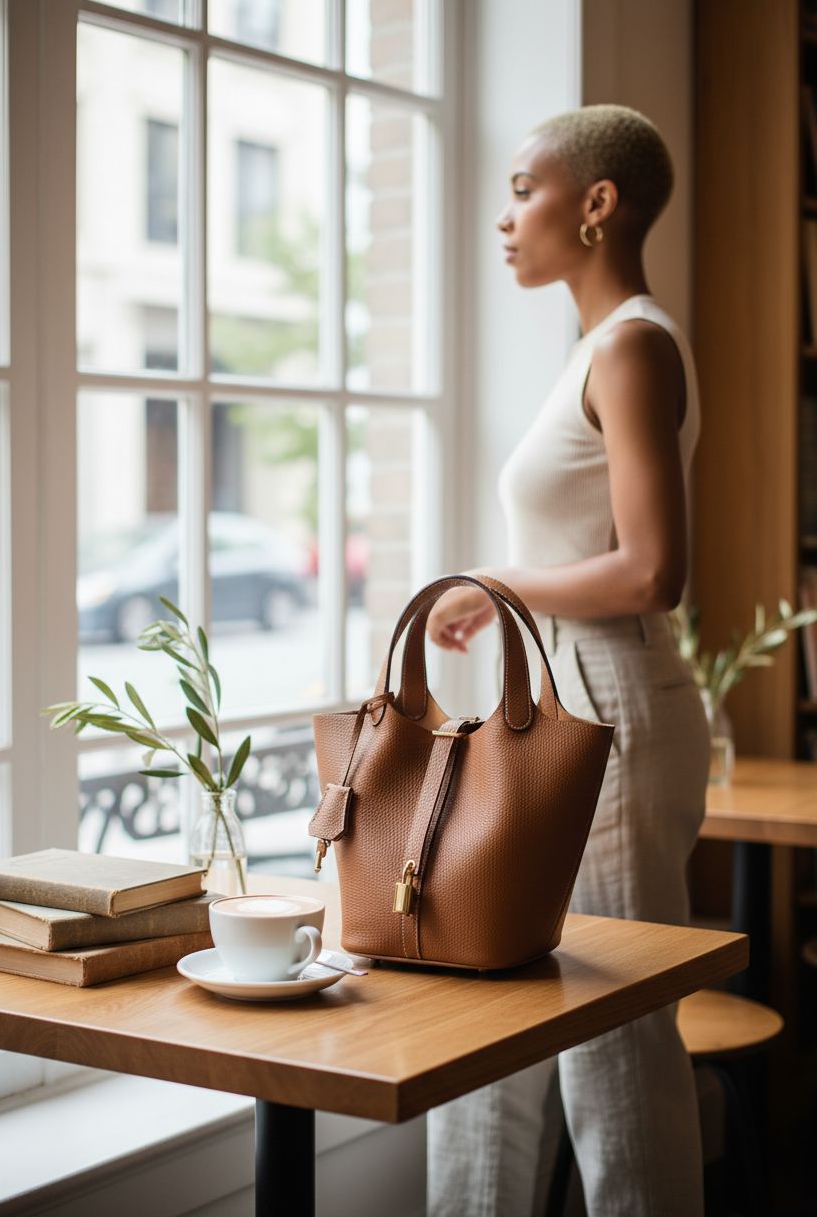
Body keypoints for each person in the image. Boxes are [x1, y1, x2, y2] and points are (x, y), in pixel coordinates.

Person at [425, 104, 710, 1217]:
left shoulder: (634, 344)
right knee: (492, 1004)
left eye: (522, 190)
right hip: (560, 700)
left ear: (597, 204)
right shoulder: (596, 351)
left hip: (612, 706)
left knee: (616, 1041)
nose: (503, 220)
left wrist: (487, 587)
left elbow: (651, 571)